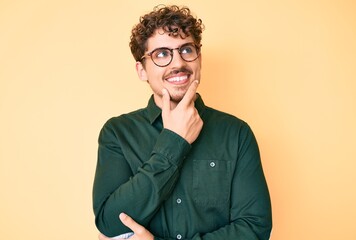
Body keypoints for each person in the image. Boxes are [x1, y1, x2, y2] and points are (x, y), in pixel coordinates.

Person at [93, 5, 272, 240]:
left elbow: (255, 228)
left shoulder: (236, 133)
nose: (178, 63)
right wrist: (174, 142)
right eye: (161, 54)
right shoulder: (118, 133)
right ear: (142, 70)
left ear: (199, 59)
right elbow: (109, 223)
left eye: (186, 50)